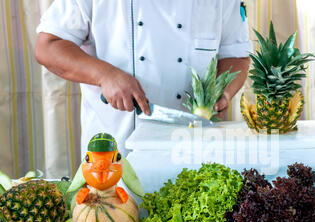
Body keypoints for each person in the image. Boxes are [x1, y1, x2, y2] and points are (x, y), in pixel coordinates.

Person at [35, 0, 252, 155]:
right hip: (116, 151)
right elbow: (48, 46)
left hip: (195, 147)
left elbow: (236, 54)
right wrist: (105, 75)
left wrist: (223, 92)